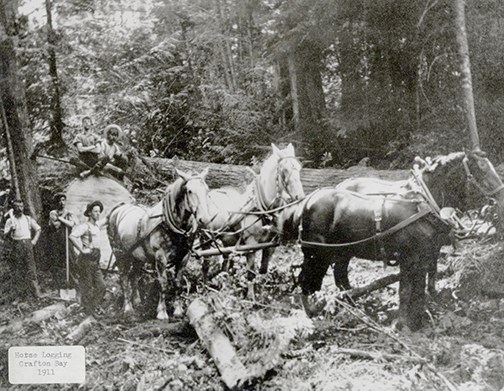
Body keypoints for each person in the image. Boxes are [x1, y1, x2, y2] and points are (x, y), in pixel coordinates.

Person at [69, 200, 106, 317]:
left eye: (99, 212)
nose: (98, 214)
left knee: (102, 286)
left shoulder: (96, 226)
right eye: (95, 211)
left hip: (95, 261)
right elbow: (72, 236)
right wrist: (81, 249)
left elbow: (107, 220)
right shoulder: (85, 226)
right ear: (89, 213)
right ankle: (88, 313)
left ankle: (92, 308)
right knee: (88, 287)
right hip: (86, 261)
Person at [3, 198, 43, 298]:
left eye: (21, 206)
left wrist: (34, 241)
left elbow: (38, 229)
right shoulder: (9, 221)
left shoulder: (28, 219)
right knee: (18, 269)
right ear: (14, 208)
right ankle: (20, 295)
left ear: (23, 207)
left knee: (31, 268)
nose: (20, 209)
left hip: (28, 244)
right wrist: (10, 230)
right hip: (17, 244)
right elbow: (5, 236)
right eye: (17, 207)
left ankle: (36, 292)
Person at [47, 192, 76, 289]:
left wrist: (61, 218)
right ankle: (58, 285)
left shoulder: (69, 212)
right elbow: (56, 226)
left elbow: (71, 224)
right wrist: (63, 216)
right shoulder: (53, 213)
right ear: (56, 202)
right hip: (56, 240)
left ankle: (72, 283)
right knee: (57, 261)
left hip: (67, 239)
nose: (62, 202)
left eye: (63, 200)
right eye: (59, 200)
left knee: (71, 260)